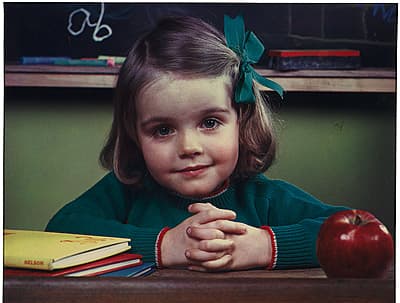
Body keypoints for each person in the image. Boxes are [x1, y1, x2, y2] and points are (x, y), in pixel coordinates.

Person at [46, 15, 348, 272]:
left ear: (240, 121)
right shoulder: (126, 193)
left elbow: (349, 229)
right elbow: (59, 231)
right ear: (134, 134)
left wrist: (265, 247)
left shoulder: (264, 198)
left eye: (210, 123)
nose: (189, 146)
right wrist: (163, 246)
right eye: (163, 130)